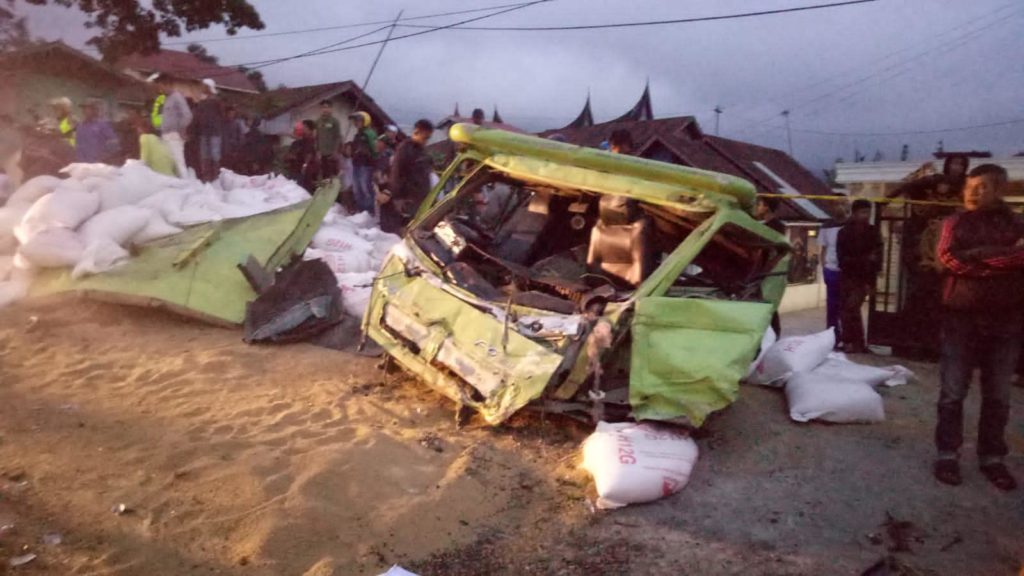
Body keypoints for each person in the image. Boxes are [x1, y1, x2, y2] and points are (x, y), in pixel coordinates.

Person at [932, 164, 1023, 491]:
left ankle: (992, 458)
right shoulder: (953, 223)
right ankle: (946, 454)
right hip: (961, 318)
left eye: (982, 186)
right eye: (969, 186)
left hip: (1006, 319)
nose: (972, 192)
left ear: (1000, 189)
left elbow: (1021, 258)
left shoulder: (1017, 224)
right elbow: (947, 260)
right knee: (953, 392)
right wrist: (1000, 261)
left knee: (998, 395)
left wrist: (979, 259)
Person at [888, 154, 970, 356]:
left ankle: (935, 347)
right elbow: (908, 188)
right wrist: (892, 196)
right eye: (954, 163)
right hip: (926, 252)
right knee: (918, 297)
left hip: (952, 254)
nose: (956, 168)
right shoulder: (932, 182)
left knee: (944, 304)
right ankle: (909, 344)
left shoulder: (969, 188)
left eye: (960, 164)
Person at [836, 199, 882, 354]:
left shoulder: (873, 232)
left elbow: (877, 258)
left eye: (868, 212)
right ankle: (853, 342)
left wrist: (872, 280)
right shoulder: (844, 232)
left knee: (851, 308)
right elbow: (842, 258)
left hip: (863, 278)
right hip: (847, 276)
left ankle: (853, 342)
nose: (866, 216)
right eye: (863, 212)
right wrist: (864, 259)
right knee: (847, 310)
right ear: (855, 213)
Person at [380, 119, 434, 234]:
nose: (426, 142)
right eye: (425, 138)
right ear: (416, 132)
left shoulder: (421, 151)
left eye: (428, 139)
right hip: (408, 197)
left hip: (421, 196)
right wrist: (397, 197)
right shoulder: (405, 149)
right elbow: (397, 173)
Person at [149, 74, 192, 178]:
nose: (159, 89)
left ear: (167, 85)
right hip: (165, 134)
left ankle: (185, 185)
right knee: (168, 163)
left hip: (174, 134)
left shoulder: (177, 97)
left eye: (160, 86)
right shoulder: (164, 99)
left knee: (178, 162)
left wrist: (180, 129)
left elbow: (187, 115)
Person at [818, 213, 845, 345]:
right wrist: (824, 267)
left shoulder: (850, 226)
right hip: (831, 269)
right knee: (832, 306)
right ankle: (833, 336)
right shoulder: (826, 226)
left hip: (846, 270)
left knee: (846, 306)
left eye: (843, 203)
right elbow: (823, 249)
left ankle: (848, 337)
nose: (840, 208)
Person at [192, 78, 224, 181]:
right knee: (205, 155)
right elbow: (197, 116)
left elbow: (221, 115)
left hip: (214, 132)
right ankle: (206, 178)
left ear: (209, 87)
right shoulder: (201, 102)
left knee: (214, 156)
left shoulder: (216, 101)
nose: (202, 88)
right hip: (204, 132)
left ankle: (214, 178)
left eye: (204, 86)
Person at [348, 111, 378, 214]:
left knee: (366, 188)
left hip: (366, 165)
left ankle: (369, 211)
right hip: (356, 164)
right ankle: (361, 210)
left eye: (358, 120)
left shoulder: (369, 134)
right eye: (355, 121)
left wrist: (374, 163)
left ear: (365, 121)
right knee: (357, 188)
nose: (356, 123)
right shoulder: (358, 134)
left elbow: (375, 150)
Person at [284, 120, 319, 192]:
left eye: (305, 127)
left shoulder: (311, 142)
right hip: (295, 170)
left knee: (301, 191)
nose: (303, 129)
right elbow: (289, 156)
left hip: (304, 172)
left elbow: (309, 155)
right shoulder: (298, 142)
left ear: (310, 130)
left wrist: (304, 165)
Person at [315, 100, 342, 180]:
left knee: (332, 176)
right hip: (321, 153)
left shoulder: (335, 121)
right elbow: (316, 137)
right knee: (323, 176)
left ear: (331, 109)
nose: (325, 109)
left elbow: (337, 137)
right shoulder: (317, 121)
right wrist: (317, 151)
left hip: (331, 154)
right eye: (323, 107)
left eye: (327, 107)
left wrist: (335, 151)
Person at [221, 105, 244, 173]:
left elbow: (241, 137)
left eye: (232, 114)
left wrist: (237, 148)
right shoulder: (221, 123)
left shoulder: (236, 124)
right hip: (222, 150)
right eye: (229, 113)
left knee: (230, 170)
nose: (231, 115)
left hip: (232, 150)